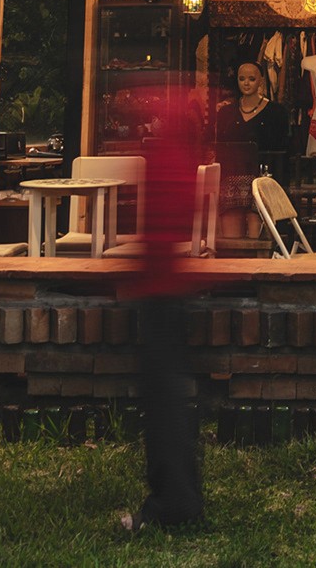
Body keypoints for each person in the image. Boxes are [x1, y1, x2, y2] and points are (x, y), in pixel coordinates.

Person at [120, 78, 205, 532]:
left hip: (161, 288)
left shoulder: (167, 153)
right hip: (167, 285)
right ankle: (178, 498)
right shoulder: (180, 154)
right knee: (167, 400)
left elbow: (160, 227)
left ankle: (173, 503)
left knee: (164, 402)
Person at [210, 61, 287, 238]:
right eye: (241, 78)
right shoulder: (226, 113)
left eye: (252, 79)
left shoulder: (276, 112)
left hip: (261, 179)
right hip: (231, 180)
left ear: (261, 81)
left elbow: (281, 149)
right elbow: (220, 146)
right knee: (231, 240)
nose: (246, 83)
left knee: (257, 237)